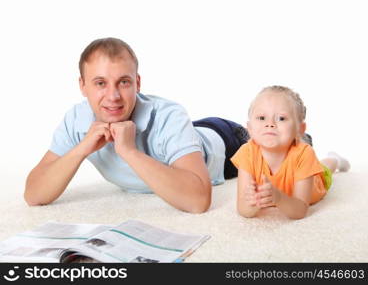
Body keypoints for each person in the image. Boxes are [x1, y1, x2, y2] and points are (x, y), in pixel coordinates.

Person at [24, 37, 249, 213]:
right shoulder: (76, 119)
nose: (113, 96)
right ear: (82, 86)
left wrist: (129, 151)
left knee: (274, 143)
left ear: (137, 83)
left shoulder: (169, 116)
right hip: (184, 135)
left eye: (123, 82)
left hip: (226, 141)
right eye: (100, 83)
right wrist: (82, 148)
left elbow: (198, 201)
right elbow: (33, 194)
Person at [231, 85, 350, 219]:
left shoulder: (304, 154)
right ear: (250, 128)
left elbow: (300, 211)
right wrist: (254, 201)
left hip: (314, 184)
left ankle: (335, 159)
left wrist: (278, 198)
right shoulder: (247, 153)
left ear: (300, 129)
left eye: (281, 118)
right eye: (261, 118)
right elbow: (242, 208)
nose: (269, 124)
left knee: (325, 169)